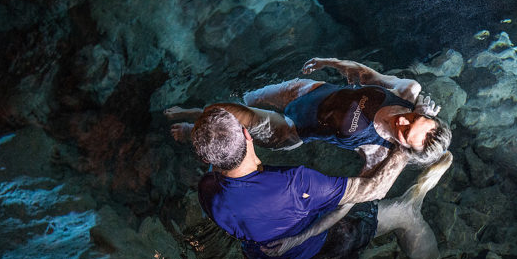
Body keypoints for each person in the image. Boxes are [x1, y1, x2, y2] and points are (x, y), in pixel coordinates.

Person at [190, 105, 455, 259]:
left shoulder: (207, 190)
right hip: (319, 240)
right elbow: (373, 189)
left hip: (269, 256)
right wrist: (405, 148)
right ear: (248, 135)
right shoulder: (297, 184)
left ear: (205, 159)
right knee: (404, 213)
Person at [166, 57, 451, 173]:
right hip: (306, 90)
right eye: (413, 118)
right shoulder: (406, 91)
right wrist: (330, 62)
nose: (402, 120)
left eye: (404, 131)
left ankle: (193, 124)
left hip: (290, 128)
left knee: (236, 119)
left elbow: (358, 189)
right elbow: (365, 73)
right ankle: (199, 112)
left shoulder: (379, 152)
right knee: (246, 99)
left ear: (403, 148)